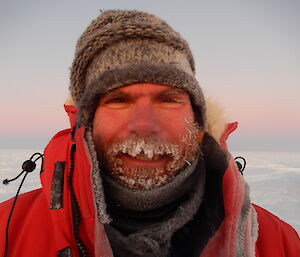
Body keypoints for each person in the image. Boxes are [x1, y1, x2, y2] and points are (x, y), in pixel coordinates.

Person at [0, 10, 299, 257]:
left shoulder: (279, 243)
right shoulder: (7, 231)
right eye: (118, 100)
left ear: (197, 122)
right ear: (85, 124)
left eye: (168, 99)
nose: (144, 125)